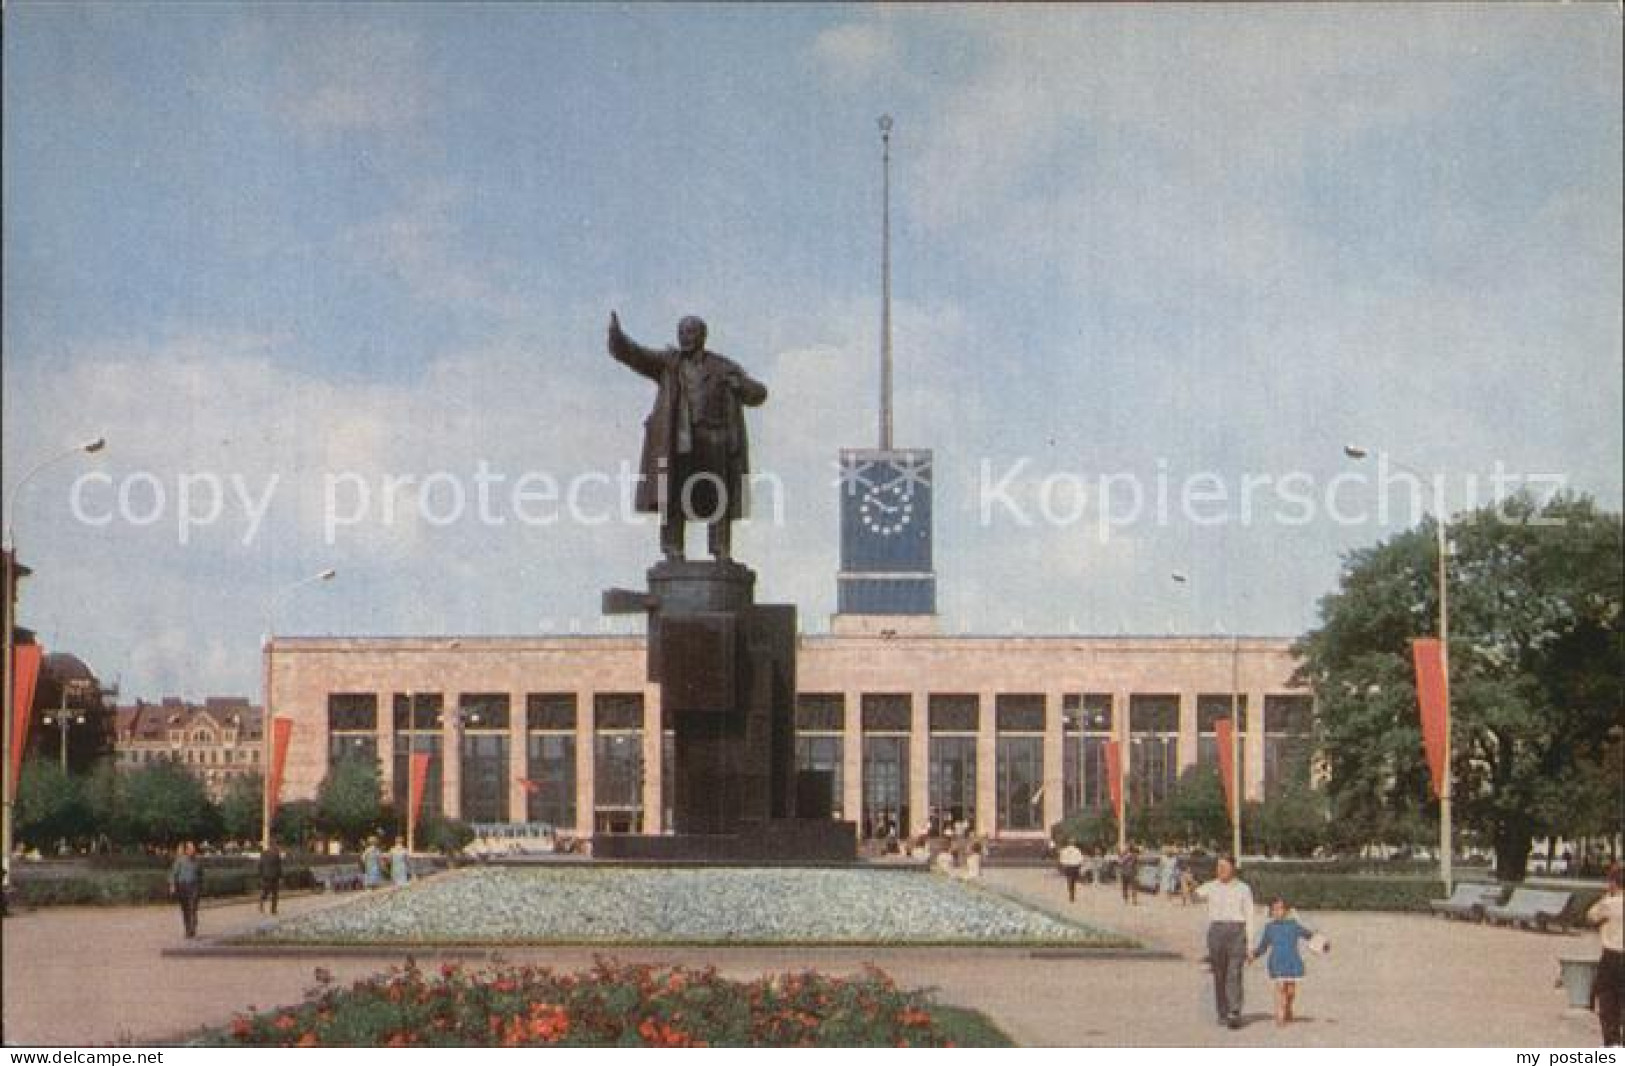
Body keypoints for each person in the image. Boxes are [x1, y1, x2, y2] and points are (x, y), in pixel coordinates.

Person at [606, 312, 768, 562]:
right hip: (681, 441)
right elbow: (636, 355)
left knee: (718, 495)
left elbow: (758, 393)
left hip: (716, 438)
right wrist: (617, 338)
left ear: (703, 335)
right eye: (681, 332)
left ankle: (720, 549)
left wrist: (740, 386)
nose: (685, 337)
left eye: (691, 332)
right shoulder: (669, 363)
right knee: (674, 492)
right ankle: (673, 548)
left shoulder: (723, 367)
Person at [1195, 854, 1257, 1029]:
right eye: (1218, 867)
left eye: (1224, 866)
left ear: (1233, 868)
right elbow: (1195, 894)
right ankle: (1222, 1012)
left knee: (1234, 973)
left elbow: (1250, 916)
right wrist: (1187, 881)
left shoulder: (1244, 889)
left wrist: (1250, 945)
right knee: (1219, 974)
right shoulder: (1211, 886)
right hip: (1216, 932)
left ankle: (1234, 1012)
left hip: (1237, 931)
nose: (1220, 870)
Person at [1250, 896, 1323, 1026]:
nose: (1277, 912)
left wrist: (1322, 942)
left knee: (1290, 991)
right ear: (1270, 912)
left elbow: (1309, 935)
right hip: (1276, 962)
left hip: (1292, 962)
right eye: (1274, 910)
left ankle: (1288, 1006)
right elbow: (1263, 945)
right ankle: (1280, 1014)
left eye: (1280, 909)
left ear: (1287, 911)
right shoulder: (1269, 927)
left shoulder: (1294, 926)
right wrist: (1253, 955)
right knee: (1280, 989)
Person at [1588, 864, 1624, 1046]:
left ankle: (1612, 1044)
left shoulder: (1609, 904)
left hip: (1612, 956)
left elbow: (1591, 916)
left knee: (1608, 1001)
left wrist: (1607, 896)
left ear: (1613, 883)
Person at [168, 840, 204, 939]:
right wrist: (172, 885)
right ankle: (188, 929)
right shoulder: (180, 860)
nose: (193, 850)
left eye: (194, 848)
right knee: (185, 910)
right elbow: (173, 873)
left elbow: (201, 875)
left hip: (194, 887)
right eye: (191, 848)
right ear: (187, 850)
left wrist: (200, 887)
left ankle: (192, 928)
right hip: (182, 887)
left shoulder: (198, 861)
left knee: (192, 908)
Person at [257, 840, 283, 915]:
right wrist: (280, 877)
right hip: (274, 877)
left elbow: (260, 865)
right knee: (275, 894)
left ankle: (261, 903)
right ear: (274, 845)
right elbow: (279, 867)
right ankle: (273, 910)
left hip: (265, 876)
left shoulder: (263, 853)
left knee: (265, 892)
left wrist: (261, 875)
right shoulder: (276, 854)